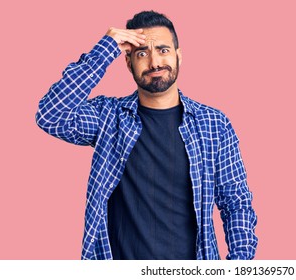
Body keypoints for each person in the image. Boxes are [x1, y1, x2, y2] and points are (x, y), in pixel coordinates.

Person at [35, 10, 257, 260]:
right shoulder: (108, 117)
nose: (154, 63)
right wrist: (105, 49)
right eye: (142, 54)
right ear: (128, 63)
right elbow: (51, 114)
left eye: (163, 50)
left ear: (178, 56)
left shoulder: (214, 124)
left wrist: (240, 265)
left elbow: (236, 201)